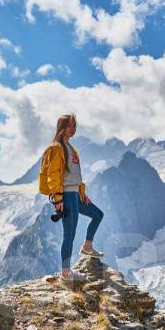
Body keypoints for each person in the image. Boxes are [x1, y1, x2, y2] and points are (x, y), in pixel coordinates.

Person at [44, 114, 104, 284]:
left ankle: (87, 247)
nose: (73, 128)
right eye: (70, 125)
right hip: (66, 196)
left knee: (98, 214)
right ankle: (65, 273)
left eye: (75, 125)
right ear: (62, 127)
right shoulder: (57, 148)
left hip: (76, 195)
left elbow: (75, 175)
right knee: (69, 235)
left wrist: (82, 193)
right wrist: (58, 199)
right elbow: (52, 175)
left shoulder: (70, 147)